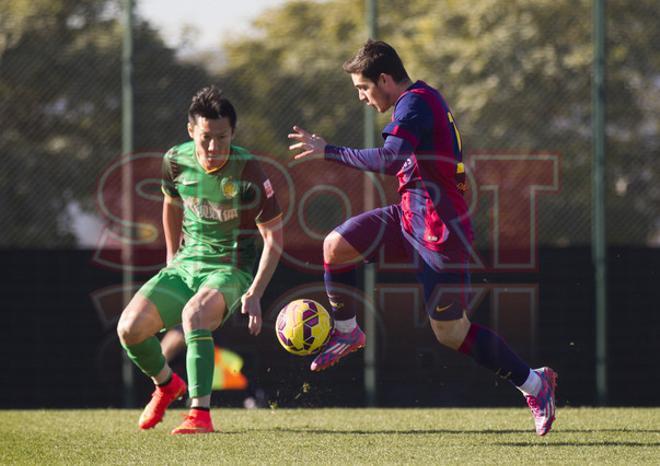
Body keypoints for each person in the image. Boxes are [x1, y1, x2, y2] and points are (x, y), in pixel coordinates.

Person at [288, 40, 557, 436]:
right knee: (335, 245)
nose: (362, 97)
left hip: (440, 232)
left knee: (450, 332)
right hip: (409, 217)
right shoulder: (418, 100)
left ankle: (536, 384)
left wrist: (329, 150)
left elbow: (390, 157)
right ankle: (346, 331)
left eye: (363, 88)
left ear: (384, 78)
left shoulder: (414, 103)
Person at [117, 85, 283, 434]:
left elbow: (274, 239)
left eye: (222, 137)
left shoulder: (249, 172)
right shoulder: (175, 161)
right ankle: (166, 385)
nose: (213, 147)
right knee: (129, 329)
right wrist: (170, 257)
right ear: (191, 130)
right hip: (185, 265)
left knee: (194, 316)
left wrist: (254, 292)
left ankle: (200, 415)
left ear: (233, 133)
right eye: (206, 137)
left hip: (230, 270)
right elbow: (171, 204)